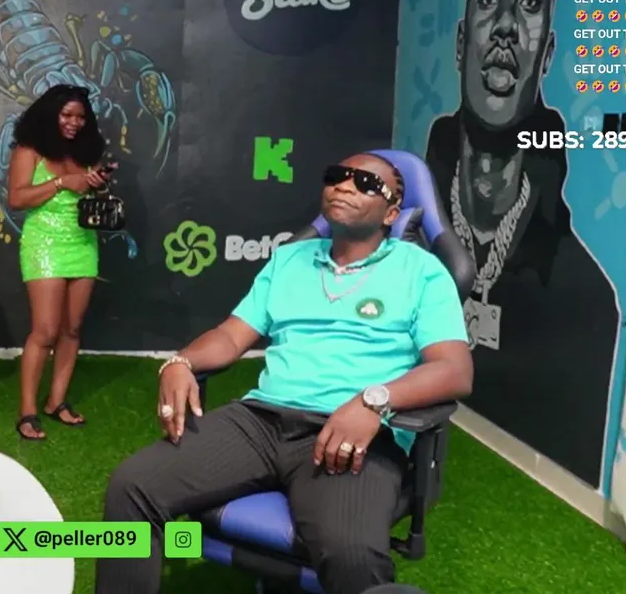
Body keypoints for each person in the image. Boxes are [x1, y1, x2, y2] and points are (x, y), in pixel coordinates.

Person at [95, 154, 474, 594]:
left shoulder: (421, 270)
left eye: (366, 183)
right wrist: (181, 362)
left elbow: (454, 370)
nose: (345, 186)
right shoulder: (288, 260)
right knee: (133, 486)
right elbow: (230, 336)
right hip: (260, 421)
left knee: (352, 554)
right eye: (337, 176)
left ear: (392, 213)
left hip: (349, 433)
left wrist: (373, 401)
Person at [422, 0, 619, 487]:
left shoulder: (584, 300)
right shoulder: (404, 248)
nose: (507, 25)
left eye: (531, 2)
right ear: (462, 42)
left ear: (547, 53)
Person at [6, 84, 113, 440]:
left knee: (72, 329)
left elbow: (86, 194)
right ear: (50, 114)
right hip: (44, 244)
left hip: (83, 243)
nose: (74, 122)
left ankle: (56, 401)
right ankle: (27, 411)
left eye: (81, 117)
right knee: (46, 331)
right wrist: (62, 182)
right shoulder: (29, 150)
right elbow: (17, 199)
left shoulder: (87, 151)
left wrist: (96, 184)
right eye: (67, 115)